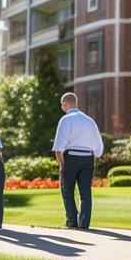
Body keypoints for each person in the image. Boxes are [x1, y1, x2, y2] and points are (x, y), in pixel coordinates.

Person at [52, 92, 104, 229]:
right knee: (85, 192)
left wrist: (62, 164)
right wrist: (94, 156)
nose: (62, 107)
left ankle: (72, 221)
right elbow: (99, 149)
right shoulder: (90, 121)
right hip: (88, 159)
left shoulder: (66, 119)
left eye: (62, 104)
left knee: (67, 190)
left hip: (71, 158)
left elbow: (59, 147)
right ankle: (84, 223)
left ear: (66, 104)